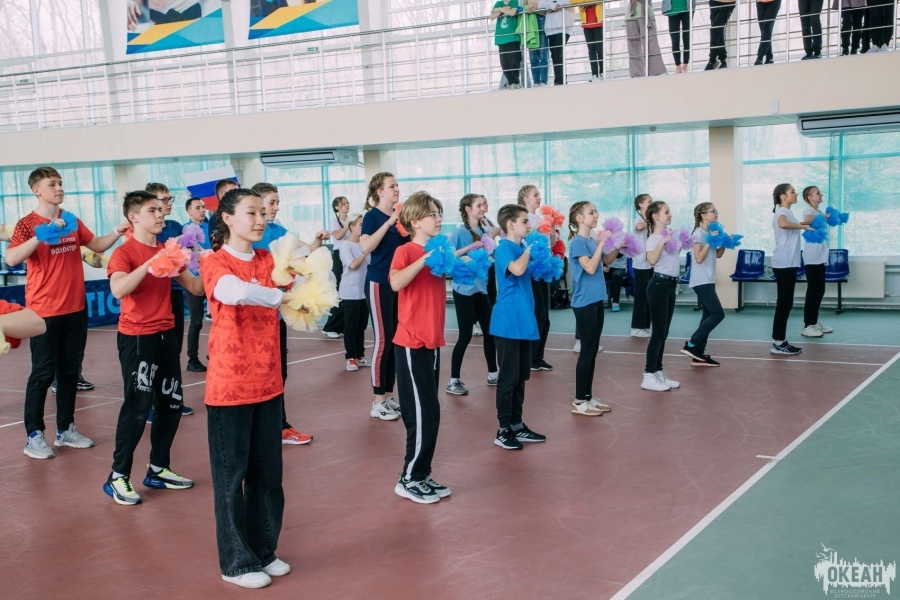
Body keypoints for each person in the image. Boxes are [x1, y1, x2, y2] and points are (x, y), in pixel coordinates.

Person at [202, 188, 292, 589]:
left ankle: (264, 551)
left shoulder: (268, 259)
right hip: (230, 388)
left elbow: (296, 283)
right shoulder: (214, 261)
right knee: (231, 480)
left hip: (268, 382)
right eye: (251, 213)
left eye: (263, 213)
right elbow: (232, 292)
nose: (260, 220)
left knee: (268, 477)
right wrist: (279, 296)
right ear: (227, 218)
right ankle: (236, 563)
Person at [8, 166, 127, 460]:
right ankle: (34, 435)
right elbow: (12, 258)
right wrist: (42, 235)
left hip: (75, 308)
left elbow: (96, 245)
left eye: (60, 183)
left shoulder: (71, 219)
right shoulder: (26, 224)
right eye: (52, 184)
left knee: (70, 372)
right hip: (43, 312)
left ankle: (66, 430)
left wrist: (117, 231)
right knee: (43, 373)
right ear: (36, 190)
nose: (59, 187)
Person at [103, 190, 204, 506]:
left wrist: (214, 261)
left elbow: (195, 287)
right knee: (137, 408)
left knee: (171, 404)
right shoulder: (124, 253)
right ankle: (117, 475)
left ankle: (158, 468)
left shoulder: (167, 250)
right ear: (133, 217)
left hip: (166, 334)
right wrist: (150, 263)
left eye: (161, 209)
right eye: (153, 210)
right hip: (137, 338)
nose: (161, 214)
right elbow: (118, 289)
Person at [389, 192, 455, 504]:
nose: (439, 219)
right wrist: (423, 259)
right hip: (411, 342)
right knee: (420, 413)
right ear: (415, 222)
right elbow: (395, 282)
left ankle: (422, 473)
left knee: (432, 412)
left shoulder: (437, 251)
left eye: (439, 213)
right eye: (433, 214)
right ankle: (409, 478)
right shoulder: (405, 250)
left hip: (432, 341)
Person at [250, 182, 322, 446]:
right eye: (272, 202)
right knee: (256, 375)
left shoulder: (277, 231)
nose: (276, 207)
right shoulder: (248, 237)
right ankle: (263, 428)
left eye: (277, 203)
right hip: (252, 319)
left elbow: (305, 251)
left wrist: (317, 241)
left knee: (279, 373)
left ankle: (278, 426)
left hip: (275, 315)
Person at [490, 204, 546, 450]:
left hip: (523, 320)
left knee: (521, 376)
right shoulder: (503, 247)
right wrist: (530, 248)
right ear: (511, 224)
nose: (529, 225)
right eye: (524, 221)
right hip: (508, 322)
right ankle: (503, 430)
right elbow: (517, 268)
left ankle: (517, 425)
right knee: (508, 378)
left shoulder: (521, 247)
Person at [361, 172, 409, 421]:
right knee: (383, 340)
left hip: (397, 283)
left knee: (394, 340)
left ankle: (388, 395)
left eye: (397, 185)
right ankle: (377, 401)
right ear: (380, 191)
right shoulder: (373, 217)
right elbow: (366, 246)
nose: (397, 189)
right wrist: (389, 223)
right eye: (392, 186)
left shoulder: (401, 216)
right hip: (379, 282)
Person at [146, 182, 194, 416]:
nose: (168, 203)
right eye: (163, 199)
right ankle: (150, 404)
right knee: (153, 354)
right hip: (154, 295)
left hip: (175, 290)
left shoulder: (175, 225)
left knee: (173, 351)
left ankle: (174, 399)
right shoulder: (146, 232)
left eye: (169, 199)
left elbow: (188, 252)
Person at [567, 201, 615, 417]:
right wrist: (602, 243)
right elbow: (589, 266)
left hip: (596, 300)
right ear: (579, 218)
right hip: (584, 302)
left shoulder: (590, 241)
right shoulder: (578, 242)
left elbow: (605, 260)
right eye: (591, 212)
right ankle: (579, 400)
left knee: (593, 349)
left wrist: (617, 245)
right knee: (587, 351)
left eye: (596, 211)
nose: (596, 215)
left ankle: (587, 396)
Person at [447, 194, 497, 396]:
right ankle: (453, 380)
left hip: (480, 289)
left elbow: (489, 257)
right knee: (465, 335)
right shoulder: (459, 232)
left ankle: (493, 374)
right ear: (468, 209)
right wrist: (469, 248)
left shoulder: (483, 231)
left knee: (490, 332)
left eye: (483, 205)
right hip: (464, 291)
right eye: (478, 205)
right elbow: (449, 256)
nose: (483, 208)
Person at [641, 200, 683, 392]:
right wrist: (663, 241)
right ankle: (648, 375)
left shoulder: (668, 236)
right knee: (658, 333)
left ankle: (658, 371)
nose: (670, 215)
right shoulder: (653, 239)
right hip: (658, 285)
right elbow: (651, 260)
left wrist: (675, 240)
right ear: (656, 216)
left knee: (664, 332)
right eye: (667, 212)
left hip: (670, 285)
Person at [679, 202, 726, 367]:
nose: (716, 213)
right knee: (718, 314)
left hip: (709, 279)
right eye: (713, 211)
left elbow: (718, 254)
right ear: (704, 215)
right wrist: (709, 242)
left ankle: (698, 354)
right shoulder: (698, 234)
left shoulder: (710, 232)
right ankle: (692, 344)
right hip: (701, 280)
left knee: (707, 315)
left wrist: (724, 243)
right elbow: (698, 258)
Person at [771, 183, 811, 355]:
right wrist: (803, 226)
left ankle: (780, 340)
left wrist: (808, 223)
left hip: (789, 263)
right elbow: (783, 224)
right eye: (792, 192)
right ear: (783, 196)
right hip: (784, 263)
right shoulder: (782, 212)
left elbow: (791, 224)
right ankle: (778, 343)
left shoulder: (788, 212)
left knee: (786, 303)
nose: (796, 194)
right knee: (784, 303)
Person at [517, 185, 553, 371]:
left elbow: (551, 244)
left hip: (543, 269)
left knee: (545, 317)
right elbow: (523, 241)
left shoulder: (540, 219)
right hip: (531, 270)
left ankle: (538, 357)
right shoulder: (524, 217)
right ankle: (531, 357)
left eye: (539, 194)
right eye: (535, 195)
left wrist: (552, 228)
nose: (539, 197)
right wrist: (539, 230)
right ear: (525, 198)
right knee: (537, 314)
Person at [799, 186, 834, 338]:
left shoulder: (817, 212)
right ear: (809, 197)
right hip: (812, 257)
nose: (821, 194)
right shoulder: (808, 210)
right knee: (813, 291)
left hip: (820, 257)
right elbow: (807, 220)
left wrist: (823, 216)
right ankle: (808, 325)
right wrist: (824, 216)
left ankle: (814, 322)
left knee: (819, 290)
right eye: (817, 193)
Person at [339, 213, 372, 371]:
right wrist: (365, 252)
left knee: (361, 326)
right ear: (352, 227)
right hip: (350, 292)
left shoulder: (365, 245)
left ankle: (360, 355)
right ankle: (350, 358)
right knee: (351, 327)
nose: (363, 227)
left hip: (363, 292)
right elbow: (352, 265)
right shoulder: (345, 245)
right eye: (360, 224)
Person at [183, 196, 210, 372]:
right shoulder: (185, 230)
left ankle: (216, 352)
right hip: (194, 281)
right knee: (196, 321)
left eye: (203, 207)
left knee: (221, 318)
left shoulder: (210, 227)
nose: (202, 210)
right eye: (198, 207)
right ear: (189, 211)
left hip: (212, 278)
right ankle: (192, 360)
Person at [323, 196, 351, 339]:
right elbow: (338, 236)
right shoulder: (335, 222)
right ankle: (330, 327)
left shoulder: (351, 222)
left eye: (347, 203)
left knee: (347, 292)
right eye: (343, 204)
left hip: (350, 255)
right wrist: (349, 224)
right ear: (337, 208)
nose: (347, 205)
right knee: (339, 291)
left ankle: (342, 325)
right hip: (339, 257)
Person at [625, 0, 667, 77]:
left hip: (646, 14)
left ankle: (657, 71)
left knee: (651, 43)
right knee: (633, 47)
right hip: (630, 15)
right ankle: (636, 73)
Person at [537, 0, 575, 85]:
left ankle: (560, 81)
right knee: (554, 55)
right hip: (551, 29)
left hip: (563, 27)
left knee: (558, 53)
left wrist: (556, 5)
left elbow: (569, 1)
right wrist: (551, 5)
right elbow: (540, 4)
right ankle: (559, 79)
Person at [630, 194, 653, 337]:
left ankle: (645, 325)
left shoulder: (648, 220)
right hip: (640, 264)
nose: (651, 203)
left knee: (649, 295)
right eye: (649, 201)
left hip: (650, 262)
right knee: (641, 296)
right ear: (641, 205)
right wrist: (652, 221)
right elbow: (638, 227)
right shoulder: (638, 220)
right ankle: (636, 327)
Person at [490, 0, 522, 89]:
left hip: (512, 37)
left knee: (514, 62)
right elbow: (492, 17)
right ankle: (511, 83)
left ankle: (516, 82)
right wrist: (503, 9)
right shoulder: (498, 3)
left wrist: (499, 10)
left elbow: (512, 13)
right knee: (504, 64)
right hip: (501, 38)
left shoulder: (514, 1)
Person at [571, 0, 605, 81]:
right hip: (586, 24)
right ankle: (594, 74)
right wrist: (587, 2)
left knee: (600, 49)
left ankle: (602, 72)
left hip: (598, 22)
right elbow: (572, 1)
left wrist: (588, 3)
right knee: (591, 50)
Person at [663, 0, 695, 72]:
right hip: (672, 10)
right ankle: (678, 65)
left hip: (686, 9)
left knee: (687, 38)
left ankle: (685, 64)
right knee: (674, 39)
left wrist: (693, 8)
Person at [705, 0, 736, 69]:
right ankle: (722, 61)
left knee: (715, 29)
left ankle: (713, 60)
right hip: (714, 3)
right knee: (718, 31)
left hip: (728, 3)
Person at [754, 0, 782, 65]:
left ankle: (760, 56)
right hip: (760, 2)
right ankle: (769, 57)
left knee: (767, 27)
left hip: (773, 2)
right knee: (764, 30)